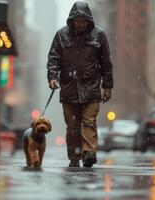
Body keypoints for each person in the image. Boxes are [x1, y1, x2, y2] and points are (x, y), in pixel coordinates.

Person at [47, 1, 113, 168]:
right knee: (73, 127)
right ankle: (75, 156)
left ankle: (89, 153)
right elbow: (53, 59)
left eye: (83, 21)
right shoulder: (61, 35)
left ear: (89, 21)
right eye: (77, 21)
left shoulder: (99, 35)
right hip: (69, 90)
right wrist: (52, 78)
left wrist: (107, 86)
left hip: (91, 90)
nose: (80, 24)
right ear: (72, 20)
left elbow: (106, 63)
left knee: (89, 121)